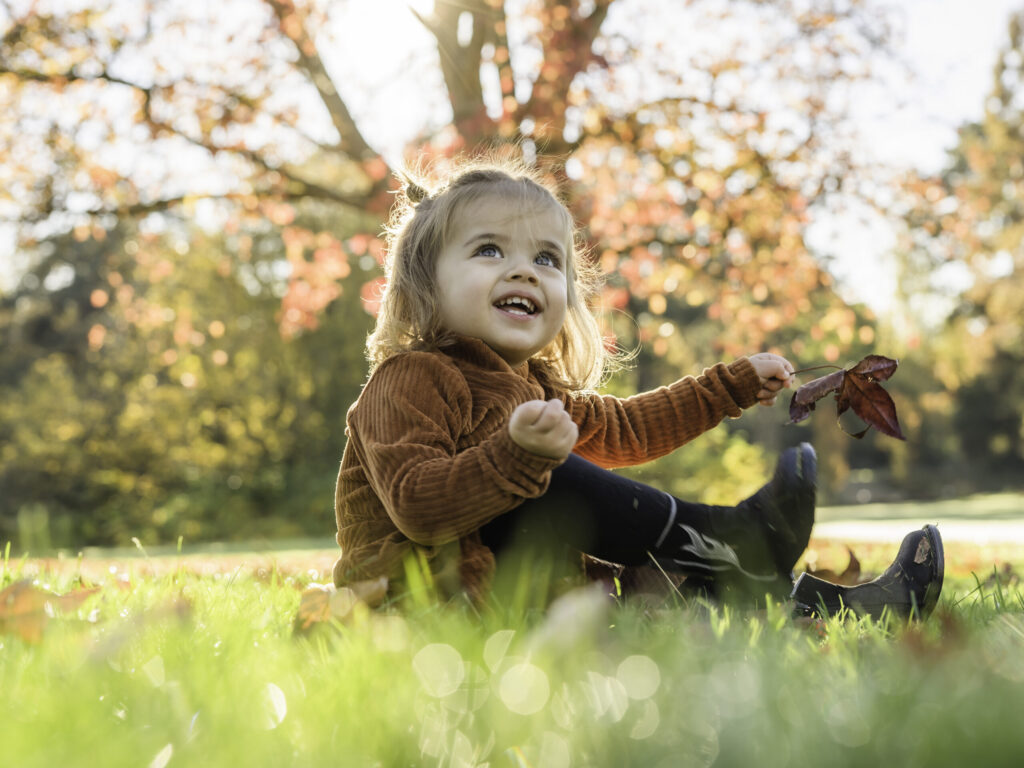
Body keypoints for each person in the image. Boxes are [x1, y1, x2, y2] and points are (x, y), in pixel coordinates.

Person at [332, 155, 944, 620]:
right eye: (488, 249)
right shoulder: (411, 379)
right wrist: (515, 458)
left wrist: (725, 387)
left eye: (547, 260)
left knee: (681, 576)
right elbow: (417, 507)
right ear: (426, 283)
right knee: (544, 484)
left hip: (526, 600)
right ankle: (734, 535)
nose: (523, 269)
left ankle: (842, 605)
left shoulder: (535, 388)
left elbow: (628, 429)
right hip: (415, 605)